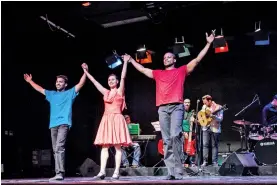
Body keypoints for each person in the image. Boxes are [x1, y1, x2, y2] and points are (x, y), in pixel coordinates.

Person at [125, 31, 215, 180]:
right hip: (162, 109)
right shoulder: (158, 73)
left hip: (176, 107)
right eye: (164, 58)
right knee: (166, 140)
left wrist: (208, 43)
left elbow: (197, 59)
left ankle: (179, 171)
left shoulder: (181, 71)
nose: (166, 59)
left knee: (175, 136)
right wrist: (131, 61)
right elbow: (142, 69)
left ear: (174, 59)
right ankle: (171, 172)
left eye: (169, 57)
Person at [23, 64, 87, 181]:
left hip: (64, 123)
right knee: (55, 149)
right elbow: (39, 89)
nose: (58, 83)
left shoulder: (69, 93)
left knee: (59, 147)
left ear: (65, 84)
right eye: (57, 81)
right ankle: (58, 172)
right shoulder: (51, 94)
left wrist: (85, 71)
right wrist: (30, 81)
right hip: (53, 125)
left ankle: (60, 172)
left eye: (61, 82)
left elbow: (81, 84)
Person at [82, 55, 132, 180]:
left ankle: (116, 172)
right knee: (104, 146)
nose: (110, 81)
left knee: (117, 146)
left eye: (113, 80)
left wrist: (125, 62)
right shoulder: (106, 92)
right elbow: (94, 82)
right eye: (109, 80)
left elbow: (123, 76)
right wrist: (86, 71)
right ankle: (102, 172)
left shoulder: (120, 91)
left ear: (117, 81)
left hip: (116, 119)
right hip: (107, 120)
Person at [200, 95, 223, 167]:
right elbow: (201, 116)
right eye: (204, 102)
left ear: (209, 101)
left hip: (215, 128)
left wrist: (214, 117)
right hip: (205, 127)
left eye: (205, 102)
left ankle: (214, 162)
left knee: (214, 145)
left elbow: (221, 119)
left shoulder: (219, 107)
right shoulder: (204, 107)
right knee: (205, 145)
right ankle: (205, 161)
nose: (204, 104)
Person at [182, 99, 196, 167]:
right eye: (185, 103)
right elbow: (178, 124)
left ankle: (192, 162)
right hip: (182, 133)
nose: (187, 104)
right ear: (183, 103)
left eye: (188, 103)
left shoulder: (191, 113)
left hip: (190, 133)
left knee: (191, 147)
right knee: (182, 148)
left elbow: (195, 123)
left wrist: (194, 120)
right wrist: (183, 132)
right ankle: (182, 162)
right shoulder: (181, 113)